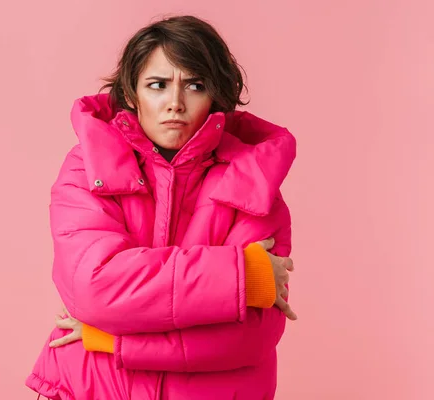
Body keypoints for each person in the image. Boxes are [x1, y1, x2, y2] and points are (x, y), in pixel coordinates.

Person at [26, 15, 297, 400]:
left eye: (195, 85)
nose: (175, 103)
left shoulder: (256, 180)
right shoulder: (87, 165)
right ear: (133, 93)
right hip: (94, 388)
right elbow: (94, 287)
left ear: (216, 95)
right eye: (158, 85)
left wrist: (113, 340)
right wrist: (241, 276)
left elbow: (248, 338)